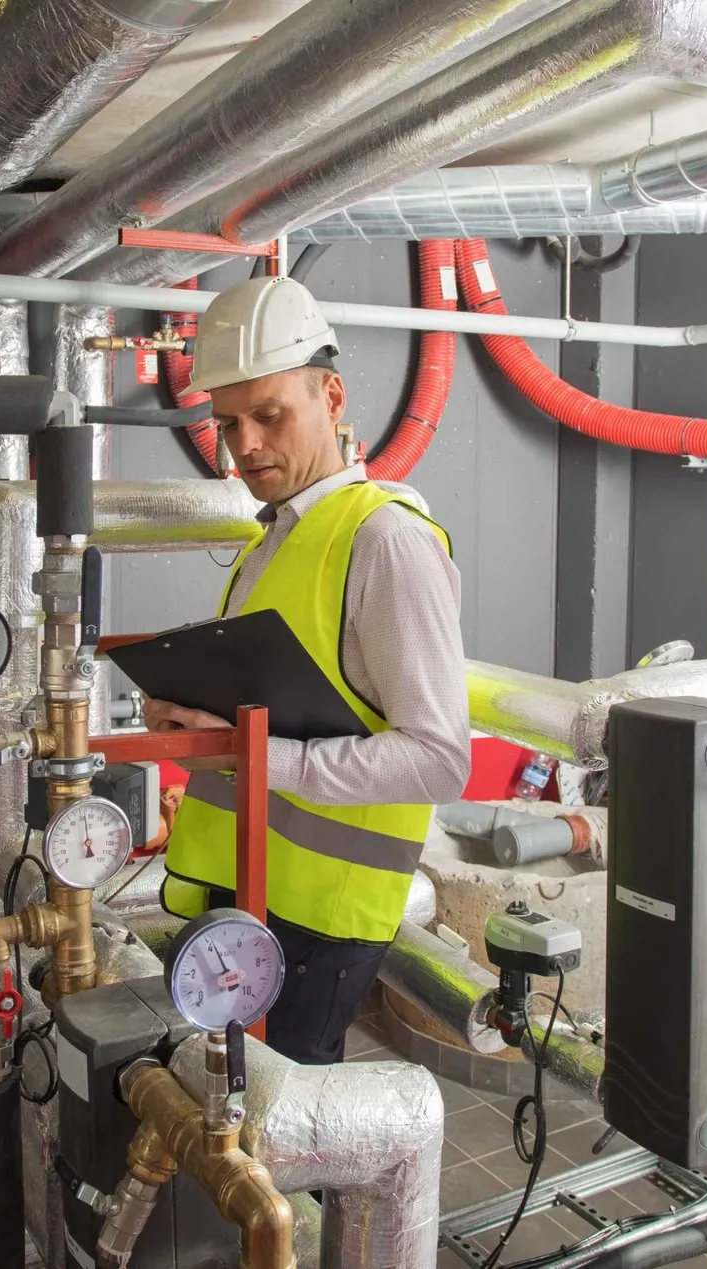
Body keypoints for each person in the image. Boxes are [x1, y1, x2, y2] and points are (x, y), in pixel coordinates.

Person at [148, 275, 471, 1064]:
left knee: (279, 1130)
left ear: (331, 396)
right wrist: (193, 722)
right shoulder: (272, 542)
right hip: (248, 893)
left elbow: (439, 758)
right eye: (228, 422)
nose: (246, 444)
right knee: (226, 1119)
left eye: (269, 414)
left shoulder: (386, 541)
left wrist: (253, 756)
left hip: (321, 922)